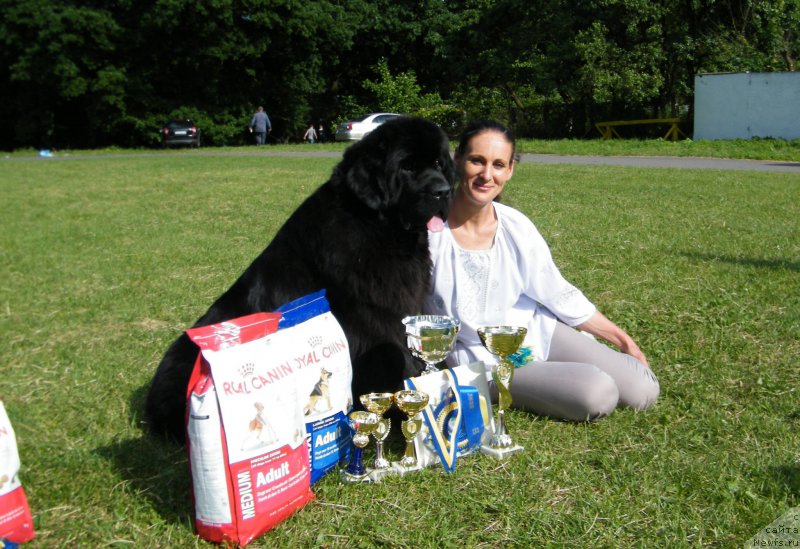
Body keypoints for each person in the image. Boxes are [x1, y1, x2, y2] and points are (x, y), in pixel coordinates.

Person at [423, 120, 659, 421]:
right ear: (457, 161)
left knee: (642, 389)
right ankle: (537, 381)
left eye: (498, 165)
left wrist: (623, 340)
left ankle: (559, 374)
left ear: (510, 170)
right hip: (480, 356)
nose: (487, 175)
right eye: (477, 161)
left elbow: (559, 294)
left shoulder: (516, 226)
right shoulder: (430, 232)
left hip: (533, 330)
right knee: (598, 393)